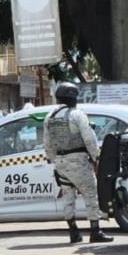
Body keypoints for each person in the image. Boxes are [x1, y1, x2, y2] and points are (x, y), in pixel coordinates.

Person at [43, 83, 112, 244]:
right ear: (73, 98)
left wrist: (54, 159)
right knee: (90, 193)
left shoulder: (50, 117)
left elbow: (47, 143)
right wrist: (96, 157)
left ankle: (73, 231)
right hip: (78, 160)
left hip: (60, 162)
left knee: (67, 196)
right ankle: (95, 231)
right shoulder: (77, 115)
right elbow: (89, 138)